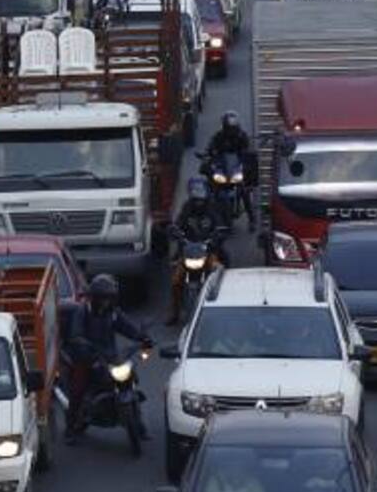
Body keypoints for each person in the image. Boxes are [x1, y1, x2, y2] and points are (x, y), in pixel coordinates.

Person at [65, 274, 152, 442]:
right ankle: (71, 428)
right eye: (103, 298)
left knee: (130, 380)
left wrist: (142, 337)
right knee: (78, 389)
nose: (106, 302)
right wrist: (82, 346)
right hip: (86, 357)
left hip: (111, 357)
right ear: (95, 298)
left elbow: (128, 327)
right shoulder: (82, 311)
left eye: (109, 298)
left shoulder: (113, 313)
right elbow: (75, 335)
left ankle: (139, 425)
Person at [167, 176, 229, 325]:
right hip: (188, 251)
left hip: (208, 251)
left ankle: (223, 307)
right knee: (176, 281)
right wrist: (176, 232)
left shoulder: (212, 208)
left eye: (201, 200)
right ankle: (174, 314)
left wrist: (218, 235)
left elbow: (220, 225)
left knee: (220, 275)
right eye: (196, 200)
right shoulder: (187, 208)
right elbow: (178, 224)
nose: (199, 202)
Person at [206, 110, 255, 220]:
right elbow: (211, 146)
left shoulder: (242, 135)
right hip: (222, 167)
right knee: (211, 185)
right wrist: (209, 153)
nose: (231, 130)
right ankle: (209, 211)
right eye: (229, 127)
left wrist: (246, 156)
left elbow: (248, 148)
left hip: (236, 167)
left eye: (232, 127)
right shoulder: (218, 136)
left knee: (243, 190)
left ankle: (252, 218)